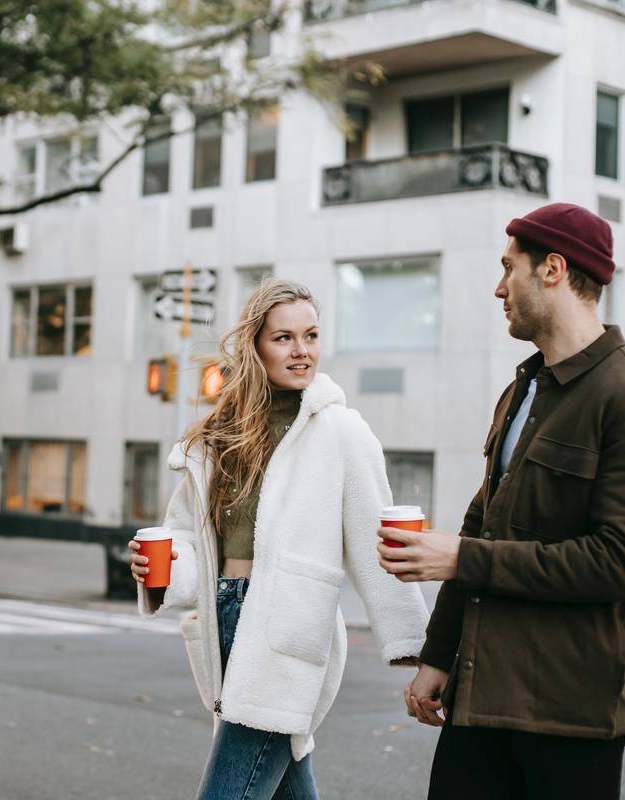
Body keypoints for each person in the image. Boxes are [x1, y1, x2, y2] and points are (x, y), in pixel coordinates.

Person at [377, 203, 625, 800]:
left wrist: (462, 558)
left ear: (552, 270)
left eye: (507, 268)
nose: (499, 288)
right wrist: (438, 654)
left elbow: (620, 564)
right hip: (480, 699)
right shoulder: (525, 387)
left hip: (569, 714)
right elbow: (482, 524)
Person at [130, 279, 429, 799]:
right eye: (284, 338)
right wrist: (161, 569)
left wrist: (419, 646)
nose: (301, 351)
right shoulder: (221, 435)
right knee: (288, 782)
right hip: (226, 613)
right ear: (256, 346)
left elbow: (378, 542)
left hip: (288, 626)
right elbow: (191, 538)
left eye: (311, 336)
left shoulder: (340, 431)